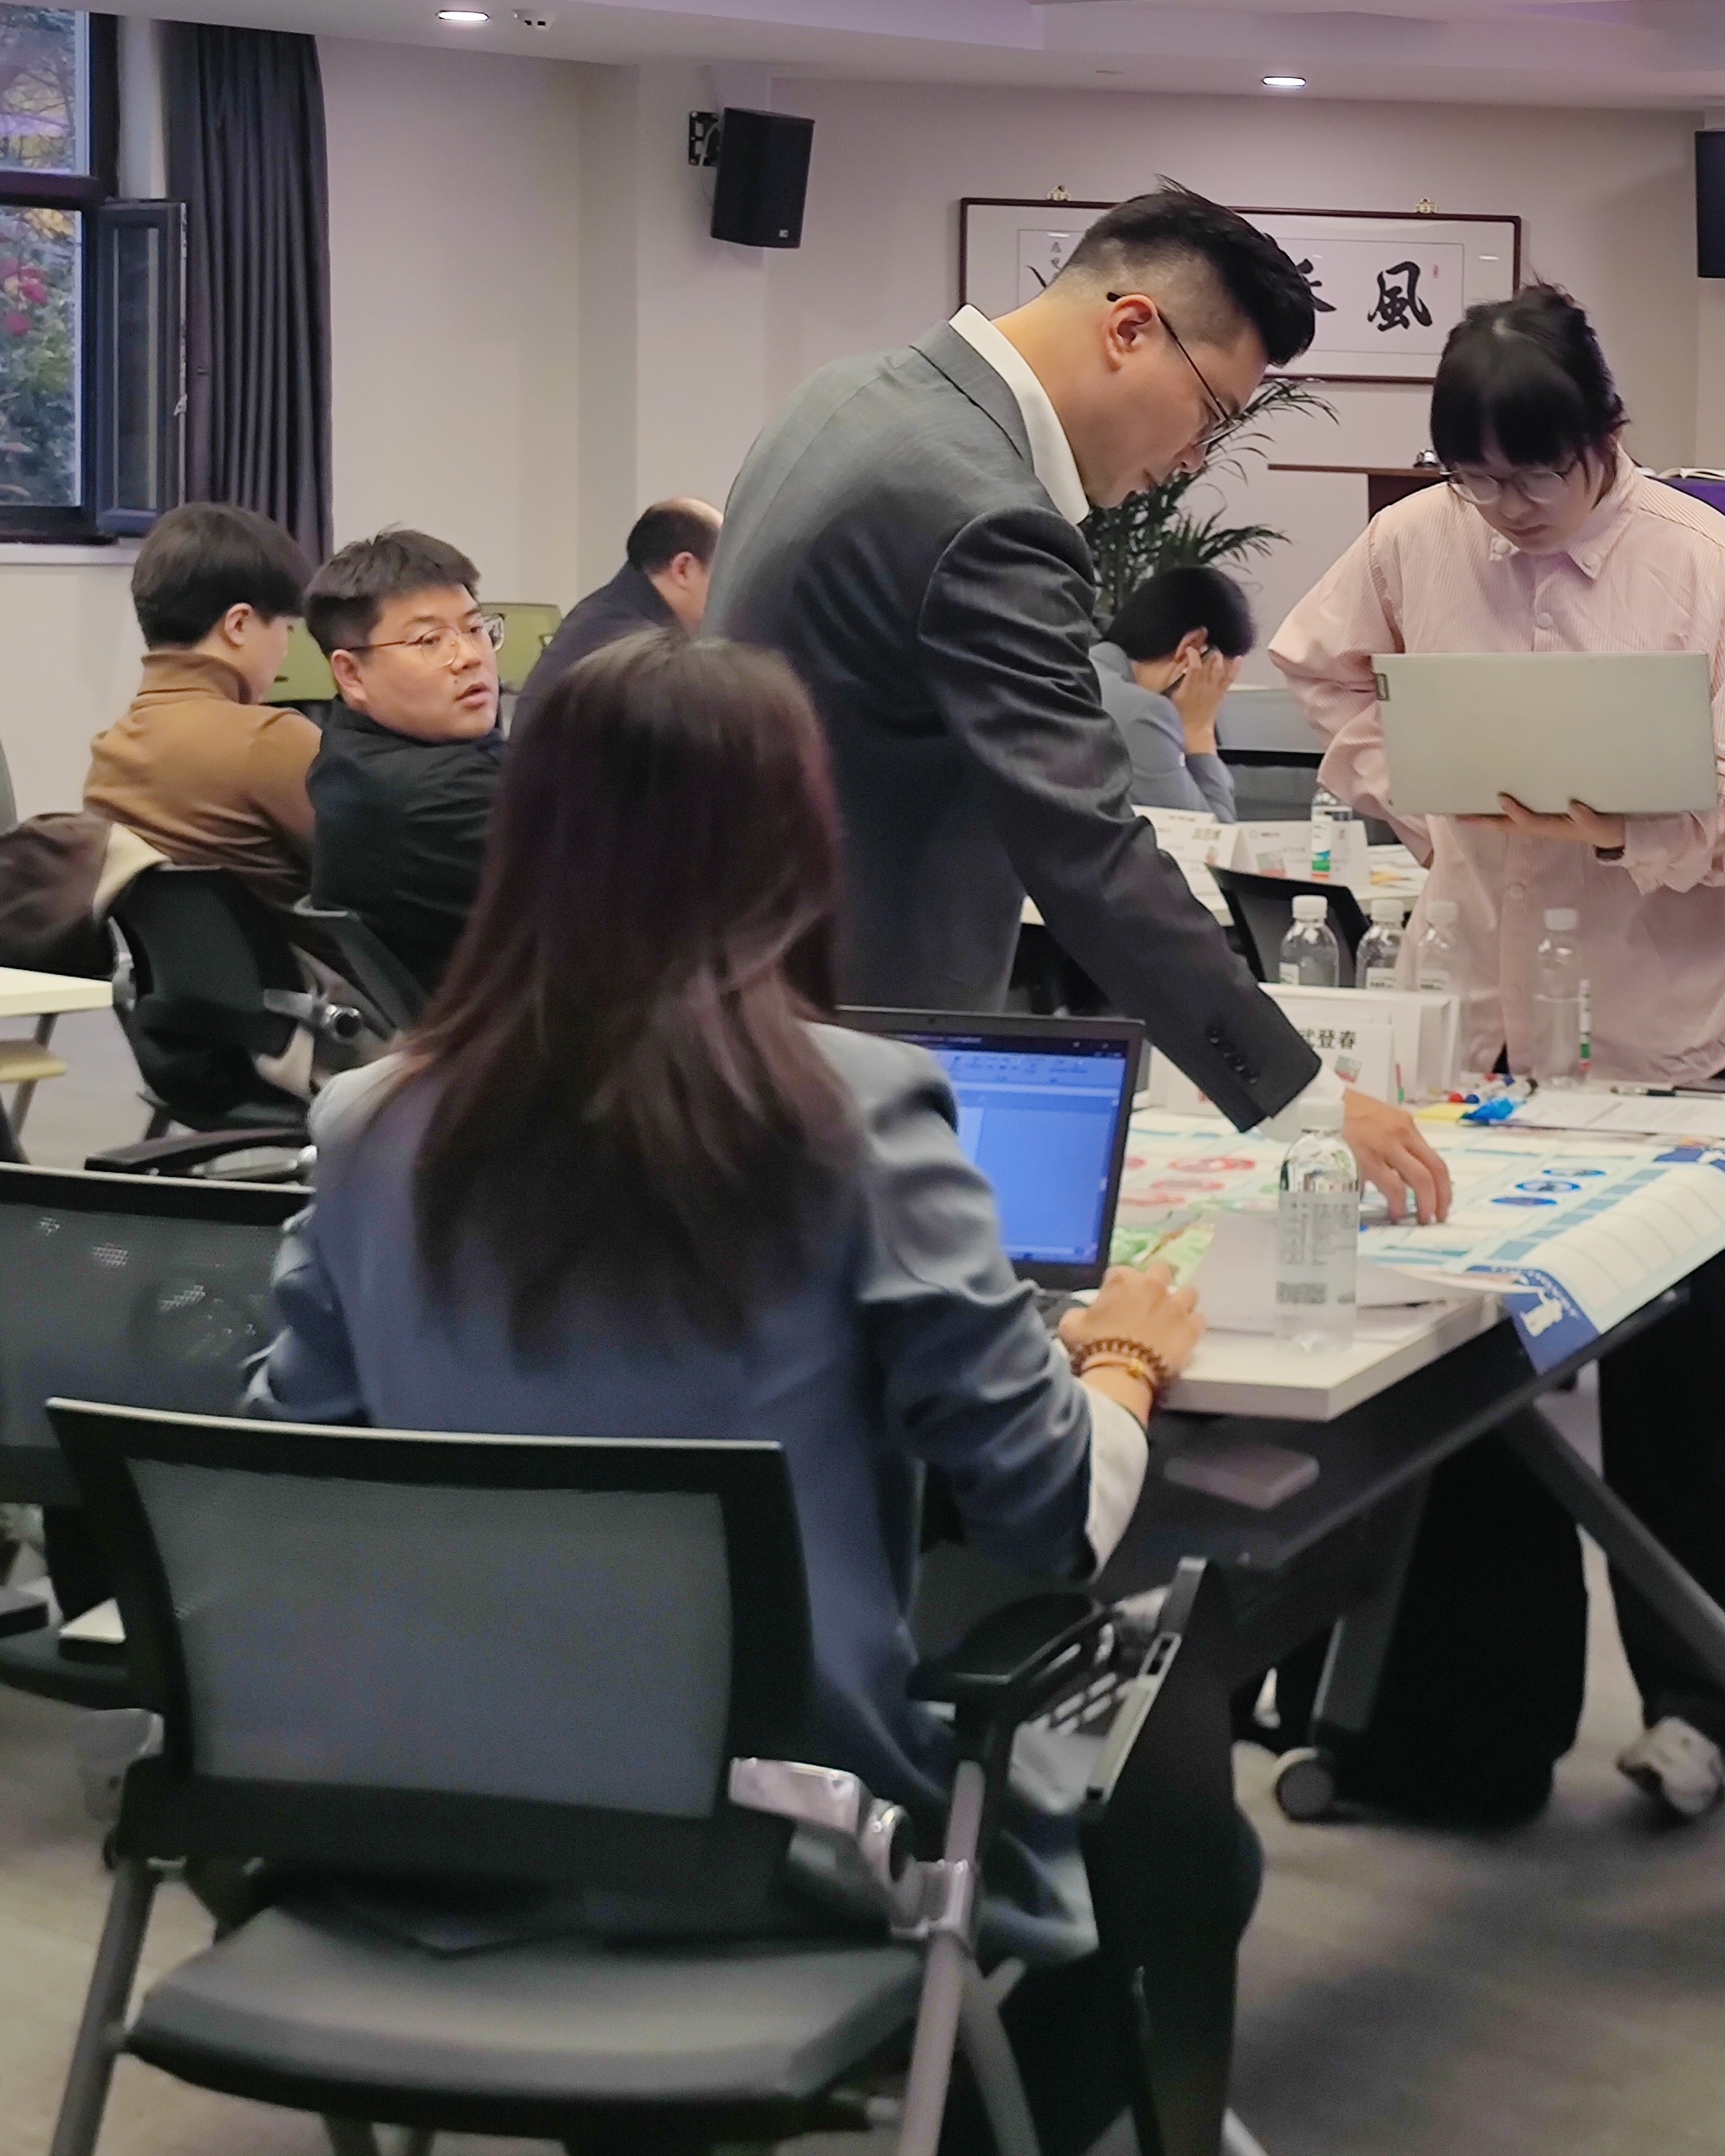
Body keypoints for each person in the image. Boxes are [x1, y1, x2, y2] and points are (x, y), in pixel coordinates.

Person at [246, 629, 1224, 2156]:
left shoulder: (369, 1123)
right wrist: (1123, 1364)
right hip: (782, 1829)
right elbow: (1046, 1516)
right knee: (1179, 1827)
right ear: (794, 847)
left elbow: (279, 1465)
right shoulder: (858, 1110)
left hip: (432, 1807)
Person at [1273, 282, 1725, 1823]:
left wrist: (1620, 821)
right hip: (1473, 1025)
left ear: (1607, 437)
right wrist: (1406, 777)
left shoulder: (1708, 566)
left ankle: (1706, 1713)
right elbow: (1317, 665)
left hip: (1655, 1037)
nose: (1506, 509)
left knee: (1684, 1394)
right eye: (1477, 477)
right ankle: (1470, 1740)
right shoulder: (1415, 541)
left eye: (1538, 475)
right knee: (1459, 1376)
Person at [712, 184, 1448, 1225]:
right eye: (1211, 415)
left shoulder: (844, 397)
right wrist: (1305, 1098)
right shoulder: (983, 515)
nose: (1194, 462)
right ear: (1131, 328)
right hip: (846, 1057)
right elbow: (1086, 845)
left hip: (736, 1008)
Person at [81, 503, 321, 913]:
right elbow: (373, 875)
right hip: (296, 955)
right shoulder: (270, 740)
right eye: (287, 629)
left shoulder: (109, 755)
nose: (286, 649)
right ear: (238, 625)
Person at [302, 526, 506, 1000]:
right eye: (429, 641)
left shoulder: (349, 755)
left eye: (475, 629)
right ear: (351, 673)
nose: (470, 657)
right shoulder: (441, 794)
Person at [521, 497, 720, 720]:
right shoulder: (642, 651)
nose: (726, 589)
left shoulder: (604, 615)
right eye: (721, 572)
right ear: (683, 569)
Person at [1093, 563, 1253, 820]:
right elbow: (1213, 840)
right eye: (1216, 681)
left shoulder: (1082, 670)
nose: (1213, 699)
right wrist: (1199, 731)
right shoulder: (1142, 714)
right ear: (1192, 647)